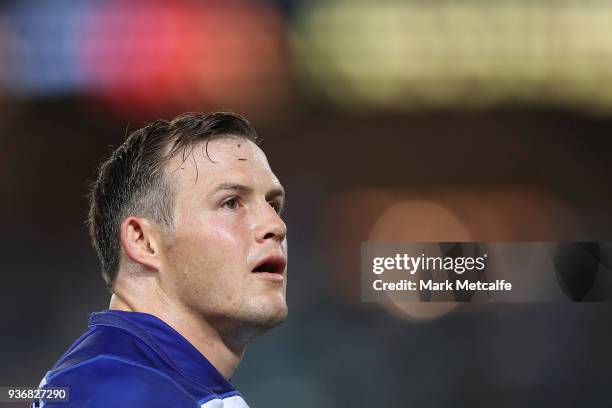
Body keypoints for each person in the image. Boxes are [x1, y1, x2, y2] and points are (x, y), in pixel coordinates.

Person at [34, 112, 288, 407]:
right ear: (143, 241)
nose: (276, 226)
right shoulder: (118, 391)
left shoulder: (152, 382)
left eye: (273, 204)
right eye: (231, 203)